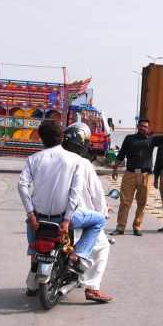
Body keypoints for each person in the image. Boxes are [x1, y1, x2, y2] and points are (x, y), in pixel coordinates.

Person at [17, 120, 106, 297]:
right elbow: (75, 192)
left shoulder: (33, 159)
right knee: (99, 221)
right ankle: (77, 256)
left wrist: (30, 213)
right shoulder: (77, 161)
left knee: (33, 239)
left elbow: (22, 186)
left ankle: (35, 263)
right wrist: (66, 219)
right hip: (65, 219)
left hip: (38, 219)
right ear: (62, 137)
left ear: (41, 138)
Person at [63, 124, 113, 303]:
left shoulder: (53, 159)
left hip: (46, 214)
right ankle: (92, 287)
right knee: (102, 245)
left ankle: (32, 284)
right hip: (78, 216)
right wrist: (103, 212)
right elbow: (97, 194)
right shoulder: (83, 164)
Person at [111, 119, 154, 236]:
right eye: (141, 126)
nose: (143, 128)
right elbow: (121, 154)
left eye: (145, 127)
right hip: (130, 174)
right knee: (125, 202)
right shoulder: (129, 139)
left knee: (142, 202)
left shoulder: (152, 140)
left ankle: (137, 226)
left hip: (145, 175)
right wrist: (115, 169)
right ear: (137, 126)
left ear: (148, 129)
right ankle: (120, 227)